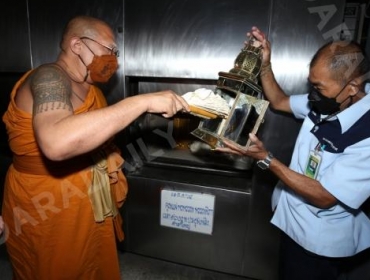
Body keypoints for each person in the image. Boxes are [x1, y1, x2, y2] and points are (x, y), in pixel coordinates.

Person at [1, 15, 189, 280]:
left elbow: (95, 134)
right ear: (77, 44)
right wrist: (140, 102)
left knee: (91, 264)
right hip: (45, 203)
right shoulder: (48, 77)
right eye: (108, 49)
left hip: (87, 196)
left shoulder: (92, 90)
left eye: (116, 52)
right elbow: (56, 143)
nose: (114, 59)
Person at [218, 26, 370, 280]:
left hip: (318, 241)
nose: (312, 96)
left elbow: (325, 196)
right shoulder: (328, 102)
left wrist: (266, 159)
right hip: (290, 220)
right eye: (312, 85)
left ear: (353, 87)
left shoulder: (365, 133)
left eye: (319, 88)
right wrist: (265, 64)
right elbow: (278, 101)